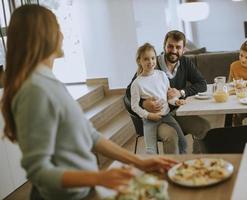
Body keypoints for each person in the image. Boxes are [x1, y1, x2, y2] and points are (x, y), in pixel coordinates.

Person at [1, 5, 176, 200]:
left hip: (83, 191)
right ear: (42, 35)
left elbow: (90, 135)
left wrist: (139, 161)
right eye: (56, 27)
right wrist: (99, 177)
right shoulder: (35, 90)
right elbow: (39, 172)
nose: (62, 34)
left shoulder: (48, 82)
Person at [125, 30, 210, 154]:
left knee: (204, 127)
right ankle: (171, 169)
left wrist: (181, 93)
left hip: (175, 112)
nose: (174, 50)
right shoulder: (151, 65)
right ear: (164, 46)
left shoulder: (185, 62)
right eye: (170, 46)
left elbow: (202, 84)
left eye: (178, 47)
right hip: (154, 118)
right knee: (171, 135)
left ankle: (193, 162)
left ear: (183, 49)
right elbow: (127, 96)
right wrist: (144, 104)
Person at [131, 43, 187, 154]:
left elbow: (168, 97)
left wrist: (176, 101)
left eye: (152, 58)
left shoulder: (162, 75)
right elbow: (134, 106)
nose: (150, 62)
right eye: (146, 59)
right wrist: (148, 115)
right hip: (149, 120)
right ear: (139, 61)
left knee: (183, 142)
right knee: (151, 150)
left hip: (166, 116)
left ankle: (180, 166)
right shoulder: (137, 83)